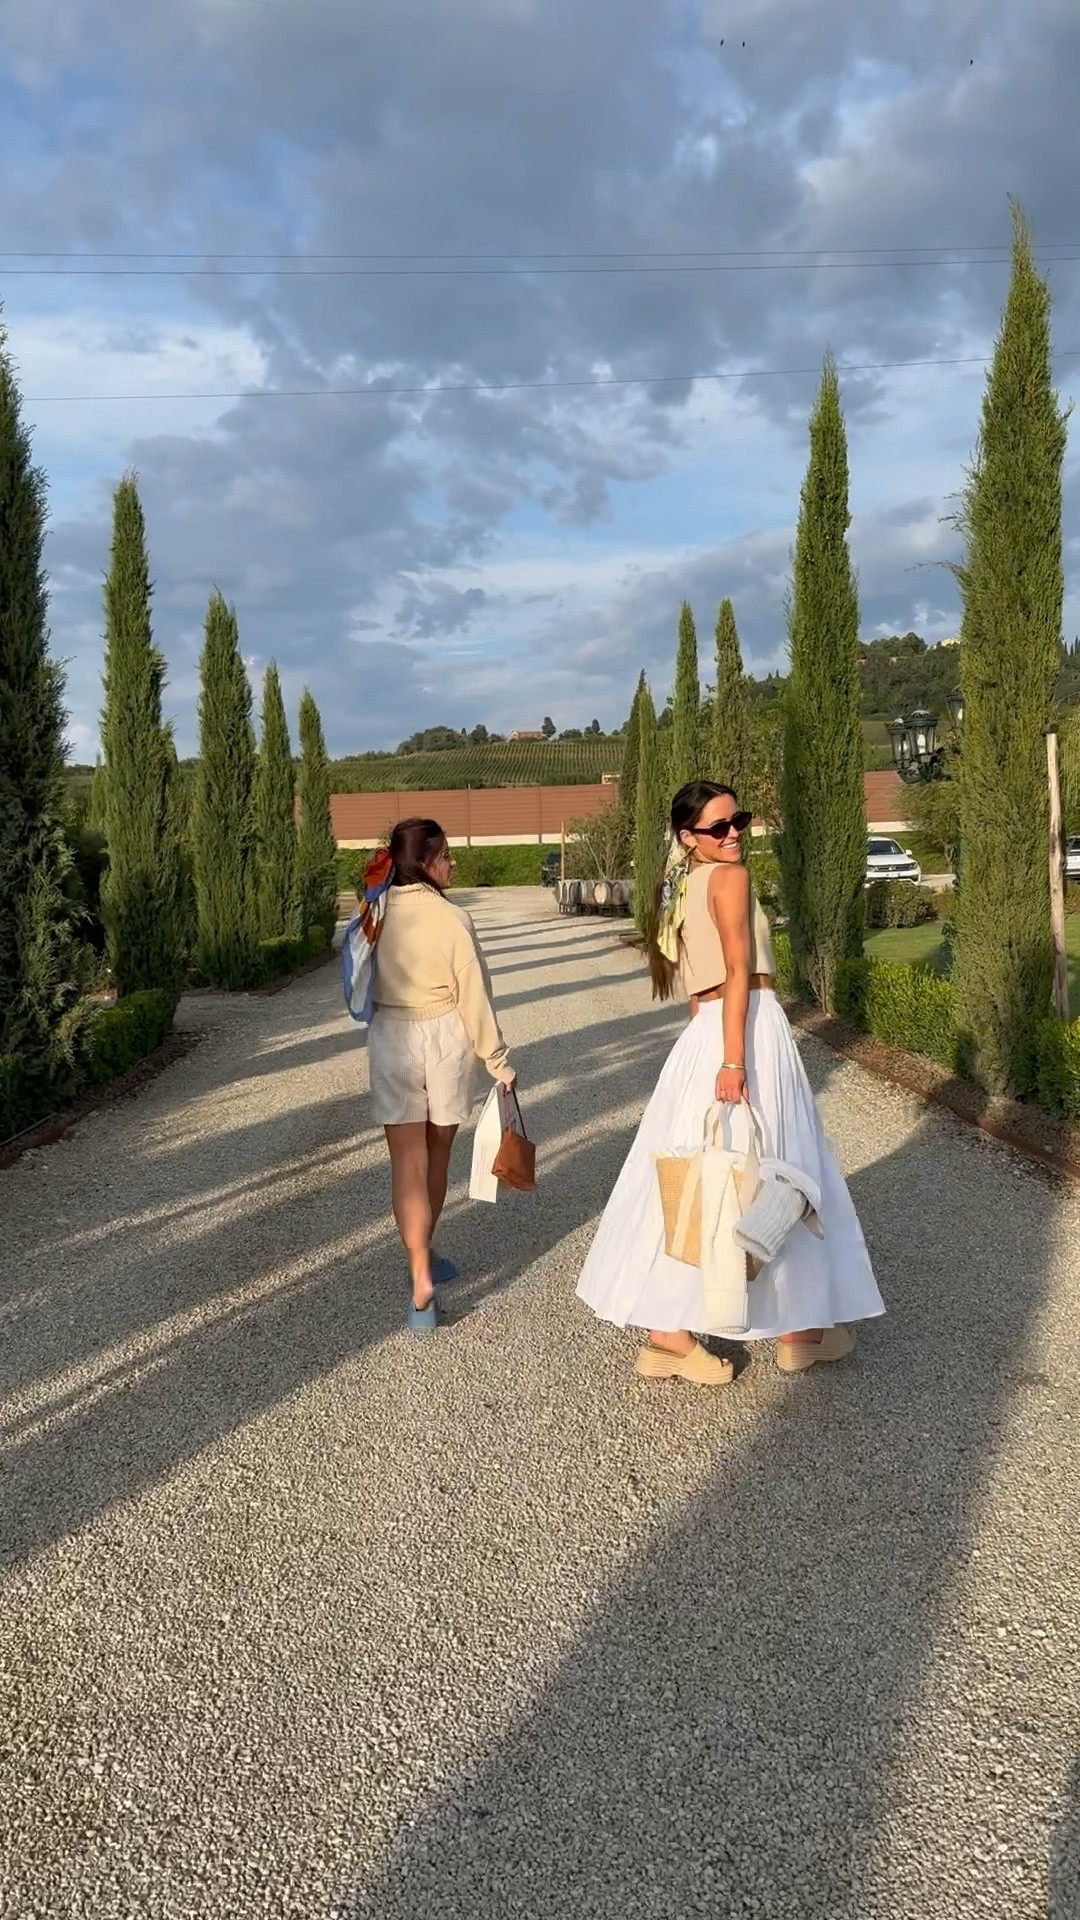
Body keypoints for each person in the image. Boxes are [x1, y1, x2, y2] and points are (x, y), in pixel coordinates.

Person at [576, 780, 883, 1385]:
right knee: (782, 1165)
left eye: (737, 820)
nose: (734, 833)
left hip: (709, 1034)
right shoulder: (730, 878)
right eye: (719, 827)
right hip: (746, 1030)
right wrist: (736, 1060)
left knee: (698, 1172)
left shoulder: (680, 887)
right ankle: (797, 1328)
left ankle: (671, 1331)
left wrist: (714, 1050)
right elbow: (740, 968)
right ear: (689, 837)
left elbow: (697, 990)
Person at [366, 818, 515, 1333]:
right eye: (446, 855)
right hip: (445, 1037)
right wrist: (497, 1060)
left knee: (405, 1160)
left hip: (392, 1035)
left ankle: (420, 1279)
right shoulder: (454, 919)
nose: (452, 863)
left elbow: (356, 977)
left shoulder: (376, 913)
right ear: (425, 863)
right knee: (436, 1158)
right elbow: (476, 996)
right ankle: (426, 1256)